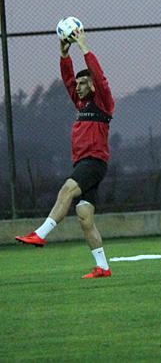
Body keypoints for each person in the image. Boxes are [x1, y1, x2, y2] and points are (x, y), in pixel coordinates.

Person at [15, 26, 116, 279]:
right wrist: (64, 54)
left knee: (66, 191)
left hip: (93, 162)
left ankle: (40, 234)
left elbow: (100, 77)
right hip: (83, 163)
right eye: (78, 84)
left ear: (93, 86)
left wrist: (83, 46)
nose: (78, 87)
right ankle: (103, 267)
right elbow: (67, 77)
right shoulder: (81, 103)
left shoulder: (103, 102)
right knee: (84, 218)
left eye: (83, 83)